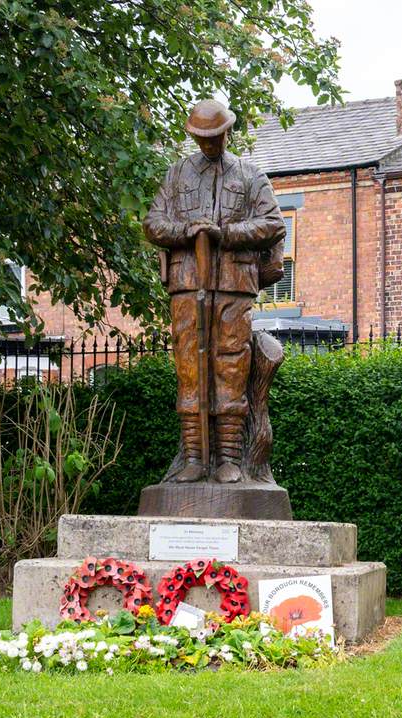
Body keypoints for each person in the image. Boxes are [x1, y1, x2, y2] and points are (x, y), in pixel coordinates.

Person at [143, 99, 286, 483]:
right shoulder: (176, 176)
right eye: (202, 138)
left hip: (234, 286)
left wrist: (227, 234)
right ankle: (194, 458)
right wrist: (185, 231)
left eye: (215, 137)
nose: (209, 144)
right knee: (190, 367)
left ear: (227, 133)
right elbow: (153, 223)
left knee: (231, 365)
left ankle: (229, 459)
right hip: (188, 285)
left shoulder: (250, 175)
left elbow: (272, 223)